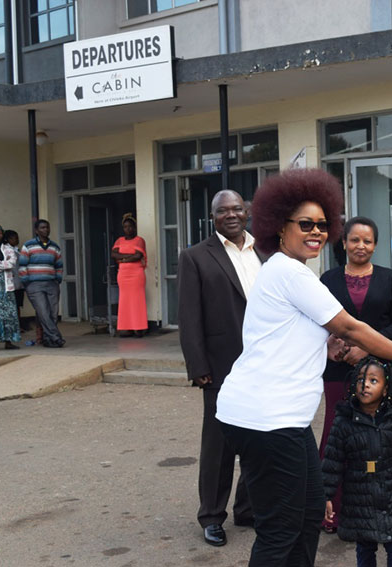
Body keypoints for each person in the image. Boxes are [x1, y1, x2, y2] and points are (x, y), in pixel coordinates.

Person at [214, 168, 392, 566]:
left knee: (311, 510)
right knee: (281, 527)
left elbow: (311, 334)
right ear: (278, 227)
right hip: (264, 416)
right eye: (305, 224)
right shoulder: (287, 271)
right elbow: (351, 326)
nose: (317, 231)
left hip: (286, 417)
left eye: (323, 224)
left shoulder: (295, 273)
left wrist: (329, 345)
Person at [319, 216, 392, 533]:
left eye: (368, 240)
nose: (361, 246)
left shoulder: (390, 279)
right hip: (340, 369)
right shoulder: (327, 280)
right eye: (355, 240)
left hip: (388, 370)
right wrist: (332, 343)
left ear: (375, 245)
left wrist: (368, 348)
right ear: (344, 243)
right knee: (337, 435)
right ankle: (332, 511)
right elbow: (317, 321)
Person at [178, 190, 263, 547]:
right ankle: (212, 516)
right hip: (221, 365)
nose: (230, 215)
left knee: (260, 439)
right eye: (222, 210)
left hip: (264, 364)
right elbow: (188, 316)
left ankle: (247, 508)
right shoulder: (195, 257)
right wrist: (198, 365)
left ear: (247, 212)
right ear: (211, 217)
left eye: (236, 209)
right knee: (219, 445)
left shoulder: (267, 252)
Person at [322, 356, 392, 567]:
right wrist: (326, 496)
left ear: (385, 389)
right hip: (359, 496)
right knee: (365, 548)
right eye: (361, 380)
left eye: (373, 381)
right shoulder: (344, 421)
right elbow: (332, 461)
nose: (365, 385)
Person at [18, 219, 64, 348]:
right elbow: (22, 265)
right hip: (34, 284)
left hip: (52, 283)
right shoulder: (29, 245)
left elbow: (59, 265)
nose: (46, 230)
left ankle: (49, 340)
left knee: (53, 313)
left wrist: (58, 279)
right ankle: (56, 337)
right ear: (36, 230)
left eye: (47, 227)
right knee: (43, 312)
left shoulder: (54, 247)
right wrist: (26, 282)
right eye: (42, 228)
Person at [111, 214, 148, 337]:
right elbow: (114, 254)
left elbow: (138, 256)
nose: (128, 229)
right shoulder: (119, 240)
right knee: (125, 301)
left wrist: (123, 259)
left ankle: (139, 328)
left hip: (136, 274)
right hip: (123, 275)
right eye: (126, 227)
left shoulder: (139, 240)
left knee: (137, 301)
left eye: (131, 226)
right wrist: (128, 257)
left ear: (135, 227)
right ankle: (126, 328)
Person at [0, 224, 21, 350]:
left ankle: (8, 342)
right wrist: (1, 265)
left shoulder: (8, 248)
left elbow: (11, 264)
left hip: (7, 287)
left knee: (9, 314)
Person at [3, 230, 25, 331]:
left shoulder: (17, 250)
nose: (17, 240)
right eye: (13, 238)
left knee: (17, 305)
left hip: (18, 282)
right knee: (12, 305)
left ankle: (18, 325)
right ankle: (13, 327)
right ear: (7, 239)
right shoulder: (6, 250)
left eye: (17, 237)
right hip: (11, 282)